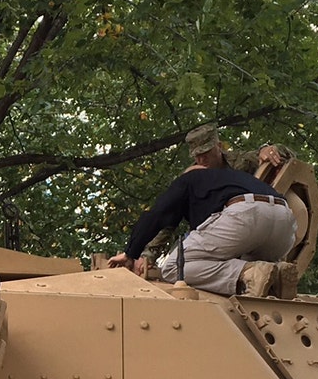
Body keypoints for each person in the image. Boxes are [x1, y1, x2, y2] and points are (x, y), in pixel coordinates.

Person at [108, 123, 299, 297]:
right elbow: (168, 223)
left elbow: (159, 214)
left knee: (175, 267)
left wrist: (130, 253)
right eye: (197, 156)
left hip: (242, 218)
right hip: (284, 221)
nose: (202, 159)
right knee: (260, 268)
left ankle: (246, 273)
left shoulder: (201, 174)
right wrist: (147, 255)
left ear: (218, 146)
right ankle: (279, 274)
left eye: (206, 153)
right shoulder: (228, 177)